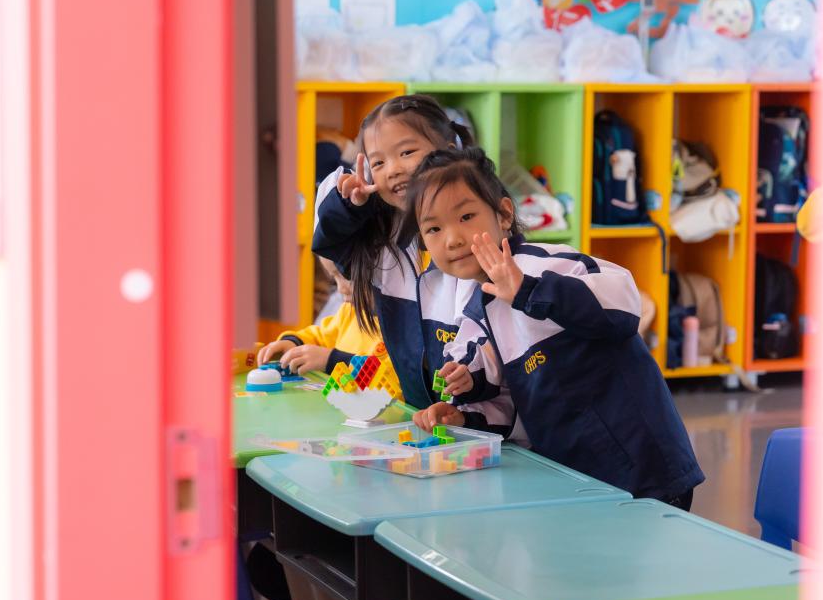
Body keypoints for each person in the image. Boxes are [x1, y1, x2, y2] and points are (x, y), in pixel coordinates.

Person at [404, 148, 704, 507]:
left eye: (466, 216)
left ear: (504, 214)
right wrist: (463, 415)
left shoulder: (545, 265)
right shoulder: (474, 312)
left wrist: (528, 291)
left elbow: (625, 303)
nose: (452, 239)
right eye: (433, 228)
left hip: (644, 472)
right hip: (580, 482)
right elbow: (509, 405)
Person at [312, 94, 473, 409]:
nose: (394, 169)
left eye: (407, 152)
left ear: (449, 153)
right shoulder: (383, 243)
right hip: (419, 413)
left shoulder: (472, 228)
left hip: (478, 415)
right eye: (378, 163)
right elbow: (329, 243)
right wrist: (351, 207)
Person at [256, 259, 399, 394]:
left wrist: (332, 361)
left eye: (346, 276)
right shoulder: (349, 312)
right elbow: (319, 337)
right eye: (333, 278)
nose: (341, 289)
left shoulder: (400, 326)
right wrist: (294, 342)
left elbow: (392, 382)